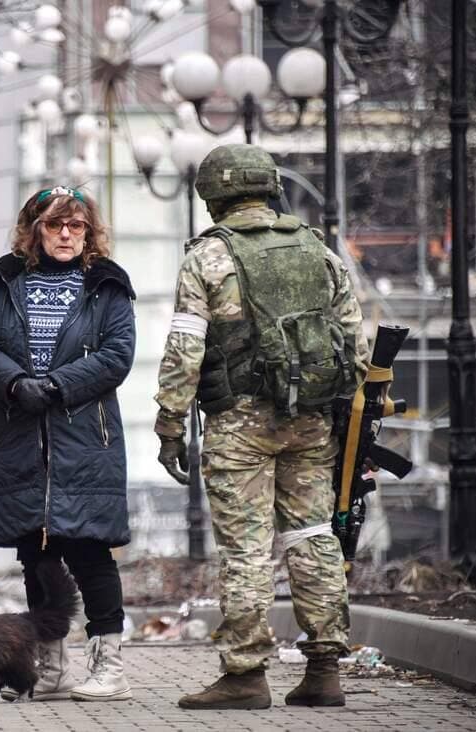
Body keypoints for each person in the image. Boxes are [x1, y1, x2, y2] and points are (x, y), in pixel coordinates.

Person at [153, 144, 370, 710]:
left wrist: (169, 423)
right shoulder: (317, 249)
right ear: (270, 187)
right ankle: (325, 670)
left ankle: (246, 675)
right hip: (311, 421)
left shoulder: (208, 258)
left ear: (213, 196)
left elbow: (185, 348)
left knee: (247, 549)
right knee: (312, 534)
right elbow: (356, 343)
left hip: (240, 424)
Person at [0, 186, 136, 702]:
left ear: (89, 232)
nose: (66, 234)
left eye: (76, 225)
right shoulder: (5, 282)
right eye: (55, 225)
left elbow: (118, 353)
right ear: (35, 230)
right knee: (36, 554)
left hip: (85, 439)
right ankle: (52, 667)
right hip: (21, 437)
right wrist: (16, 383)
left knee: (89, 553)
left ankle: (109, 668)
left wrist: (59, 386)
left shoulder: (107, 285)